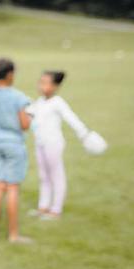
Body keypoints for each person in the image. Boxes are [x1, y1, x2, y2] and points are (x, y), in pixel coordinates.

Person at [0, 58, 32, 243]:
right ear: (9, 74)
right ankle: (13, 235)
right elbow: (25, 124)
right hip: (13, 145)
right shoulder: (18, 97)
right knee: (12, 189)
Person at [26, 71, 90, 220]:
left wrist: (84, 134)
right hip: (40, 144)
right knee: (44, 176)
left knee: (56, 175)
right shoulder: (40, 102)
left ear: (55, 86)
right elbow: (29, 115)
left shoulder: (58, 102)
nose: (41, 86)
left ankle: (56, 210)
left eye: (45, 83)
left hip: (53, 144)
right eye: (40, 82)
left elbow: (71, 118)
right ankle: (43, 207)